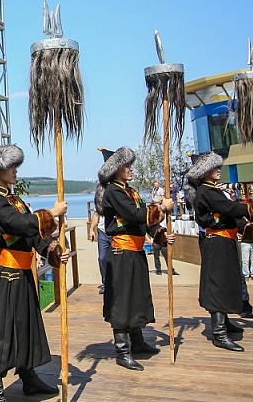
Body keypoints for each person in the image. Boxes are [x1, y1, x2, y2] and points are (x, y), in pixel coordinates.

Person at [0, 141, 69, 400]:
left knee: (27, 327)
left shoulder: (13, 199)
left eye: (15, 165)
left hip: (24, 273)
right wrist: (50, 213)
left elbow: (33, 235)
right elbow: (19, 225)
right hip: (7, 275)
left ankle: (29, 377)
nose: (15, 170)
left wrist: (51, 250)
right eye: (9, 166)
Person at [96, 147, 174, 371]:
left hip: (136, 252)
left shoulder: (132, 192)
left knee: (137, 298)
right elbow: (134, 215)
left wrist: (159, 234)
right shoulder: (113, 191)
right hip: (121, 254)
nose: (130, 169)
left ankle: (138, 342)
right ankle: (122, 350)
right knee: (122, 301)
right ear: (115, 169)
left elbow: (142, 223)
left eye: (130, 164)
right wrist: (161, 207)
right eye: (125, 165)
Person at [185, 152, 253, 352]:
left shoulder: (214, 190)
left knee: (228, 282)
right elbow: (230, 209)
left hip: (226, 240)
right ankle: (219, 333)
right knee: (217, 284)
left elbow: (234, 219)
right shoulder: (206, 191)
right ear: (205, 172)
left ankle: (226, 321)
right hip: (216, 242)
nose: (218, 171)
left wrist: (252, 231)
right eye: (214, 168)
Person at [88, 198, 108, 294]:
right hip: (102, 232)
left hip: (114, 232)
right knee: (102, 258)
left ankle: (117, 283)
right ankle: (105, 283)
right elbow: (96, 215)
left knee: (116, 258)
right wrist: (91, 229)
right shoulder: (100, 199)